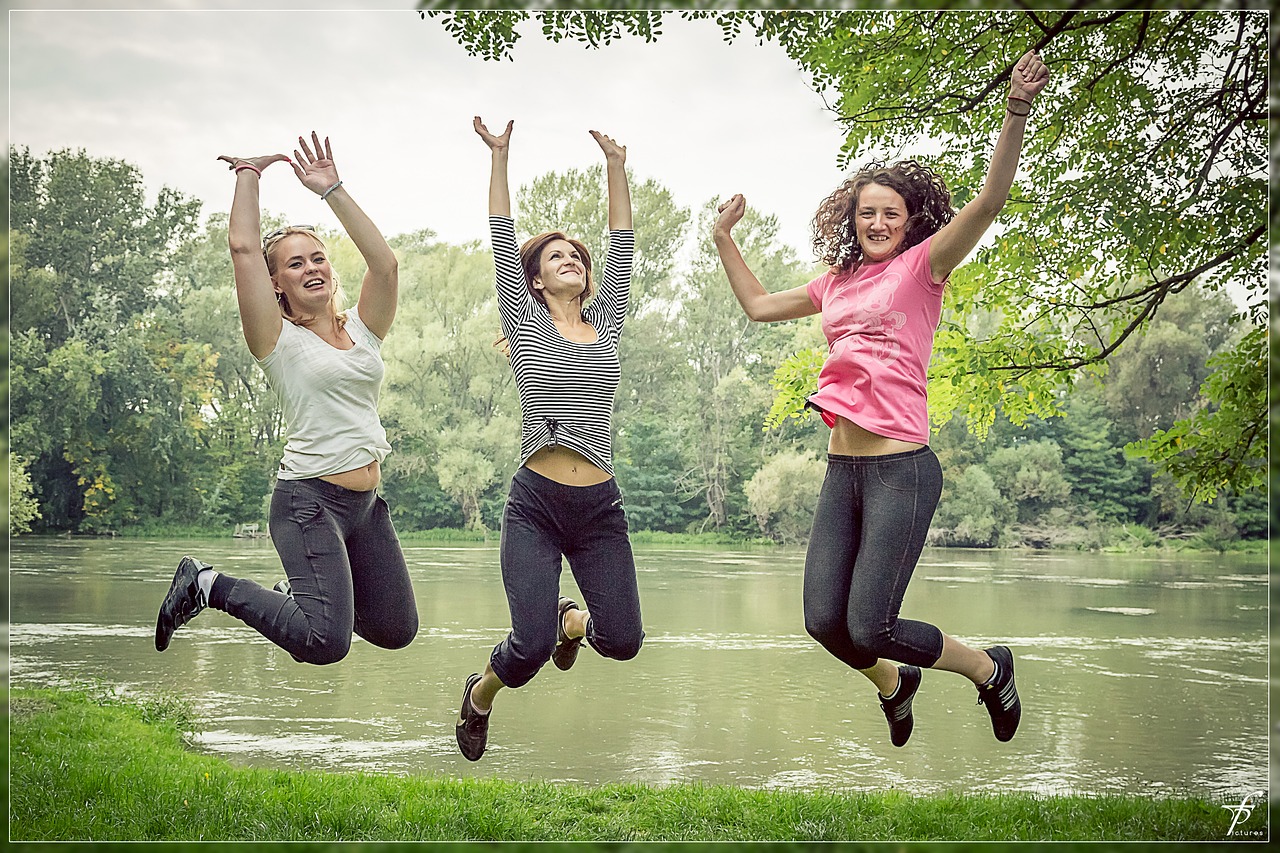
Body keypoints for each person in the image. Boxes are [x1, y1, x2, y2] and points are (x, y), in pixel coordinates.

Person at [712, 50, 1050, 746]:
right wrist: (722, 237)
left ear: (910, 219)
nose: (876, 221)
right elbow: (754, 305)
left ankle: (989, 667)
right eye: (865, 211)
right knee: (823, 622)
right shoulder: (833, 282)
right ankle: (895, 683)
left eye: (889, 212)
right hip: (844, 470)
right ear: (851, 218)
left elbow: (990, 201)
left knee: (874, 625)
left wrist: (1015, 109)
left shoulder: (925, 267)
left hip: (902, 468)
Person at [154, 132, 418, 665]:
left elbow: (385, 265)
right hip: (308, 501)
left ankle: (302, 596)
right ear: (276, 285)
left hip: (365, 508)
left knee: (396, 629)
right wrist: (249, 175)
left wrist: (332, 190)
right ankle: (207, 584)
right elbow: (243, 248)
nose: (311, 268)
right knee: (325, 643)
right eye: (295, 264)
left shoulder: (364, 331)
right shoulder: (276, 340)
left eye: (317, 259)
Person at [455, 117, 642, 761]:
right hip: (535, 503)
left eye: (580, 259)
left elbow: (622, 239)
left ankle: (575, 622)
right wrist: (501, 157)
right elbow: (500, 233)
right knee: (527, 648)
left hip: (598, 508)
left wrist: (616, 166)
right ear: (534, 279)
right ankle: (479, 695)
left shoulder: (608, 319)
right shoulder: (524, 316)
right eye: (558, 256)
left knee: (622, 640)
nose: (574, 260)